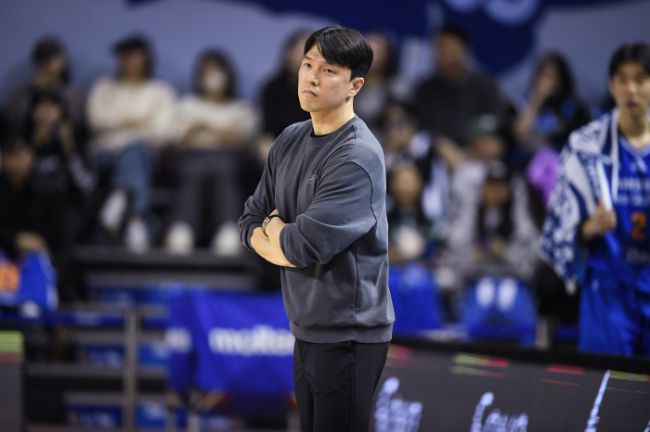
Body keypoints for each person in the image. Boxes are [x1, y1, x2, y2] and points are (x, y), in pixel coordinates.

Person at [238, 25, 394, 432]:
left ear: (355, 85)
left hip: (349, 337)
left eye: (328, 71)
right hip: (307, 329)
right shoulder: (289, 139)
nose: (311, 77)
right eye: (307, 65)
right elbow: (249, 220)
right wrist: (276, 234)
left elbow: (301, 247)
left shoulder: (356, 155)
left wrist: (274, 232)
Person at [541, 42, 650, 356]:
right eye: (622, 79)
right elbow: (557, 232)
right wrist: (589, 227)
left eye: (640, 79)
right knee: (605, 381)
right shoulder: (585, 147)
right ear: (611, 86)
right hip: (607, 291)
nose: (631, 89)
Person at [86, 34, 175, 252]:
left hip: (144, 154)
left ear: (146, 59)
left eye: (134, 56)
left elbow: (163, 132)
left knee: (134, 152)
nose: (129, 61)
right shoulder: (104, 87)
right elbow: (96, 120)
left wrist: (119, 124)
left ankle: (120, 201)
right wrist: (135, 120)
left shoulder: (160, 91)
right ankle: (136, 220)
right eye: (124, 56)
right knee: (133, 153)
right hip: (105, 154)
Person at [165, 49, 258, 255]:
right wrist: (219, 132)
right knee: (194, 169)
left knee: (223, 168)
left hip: (229, 161)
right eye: (207, 71)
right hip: (192, 159)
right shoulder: (187, 104)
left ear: (228, 75)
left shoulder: (242, 108)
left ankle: (228, 229)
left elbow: (240, 139)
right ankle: (183, 228)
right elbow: (179, 139)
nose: (212, 77)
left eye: (217, 71)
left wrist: (202, 128)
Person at [413, 25, 503, 168]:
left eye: (450, 47)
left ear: (465, 50)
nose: (445, 53)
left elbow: (494, 122)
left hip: (478, 157)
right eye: (440, 47)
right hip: (437, 158)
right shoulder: (425, 89)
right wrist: (440, 145)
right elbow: (420, 128)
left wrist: (472, 150)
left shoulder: (484, 85)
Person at [5, 36, 85, 136]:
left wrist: (61, 110)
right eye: (42, 60)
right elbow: (13, 122)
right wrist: (36, 94)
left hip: (66, 142)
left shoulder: (74, 93)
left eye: (51, 59)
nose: (47, 65)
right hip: (30, 143)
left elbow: (80, 123)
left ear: (63, 61)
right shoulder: (23, 93)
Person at [514, 52, 591, 153]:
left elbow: (567, 133)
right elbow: (519, 133)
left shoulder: (574, 107)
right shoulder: (525, 102)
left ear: (562, 80)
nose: (548, 81)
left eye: (553, 77)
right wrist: (538, 99)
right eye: (544, 75)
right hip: (530, 158)